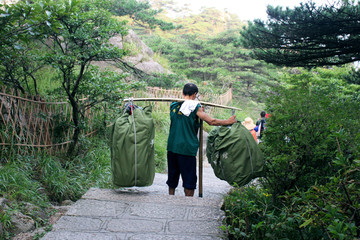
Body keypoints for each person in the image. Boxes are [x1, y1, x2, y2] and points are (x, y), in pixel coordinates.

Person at [167, 83, 237, 197]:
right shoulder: (195, 107)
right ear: (195, 94)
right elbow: (211, 121)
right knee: (189, 181)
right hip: (187, 149)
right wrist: (228, 122)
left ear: (182, 93)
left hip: (172, 147)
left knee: (172, 178)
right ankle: (188, 203)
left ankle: (170, 198)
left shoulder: (173, 105)